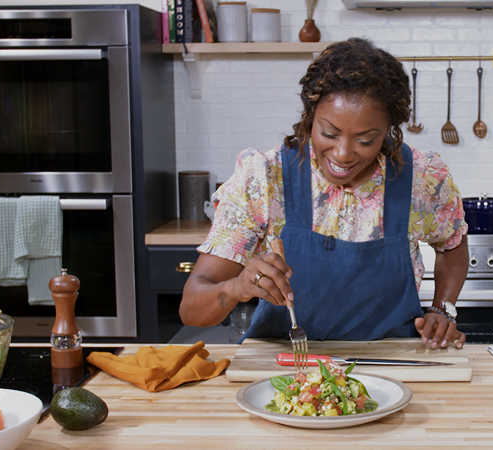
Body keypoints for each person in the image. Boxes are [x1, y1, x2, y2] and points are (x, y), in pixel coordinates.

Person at [180, 37, 469, 349]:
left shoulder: (422, 180)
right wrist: (237, 287)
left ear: (389, 130)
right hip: (286, 373)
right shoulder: (264, 178)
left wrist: (443, 308)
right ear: (310, 116)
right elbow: (192, 309)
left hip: (392, 366)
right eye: (329, 133)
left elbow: (452, 244)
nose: (343, 154)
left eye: (366, 139)